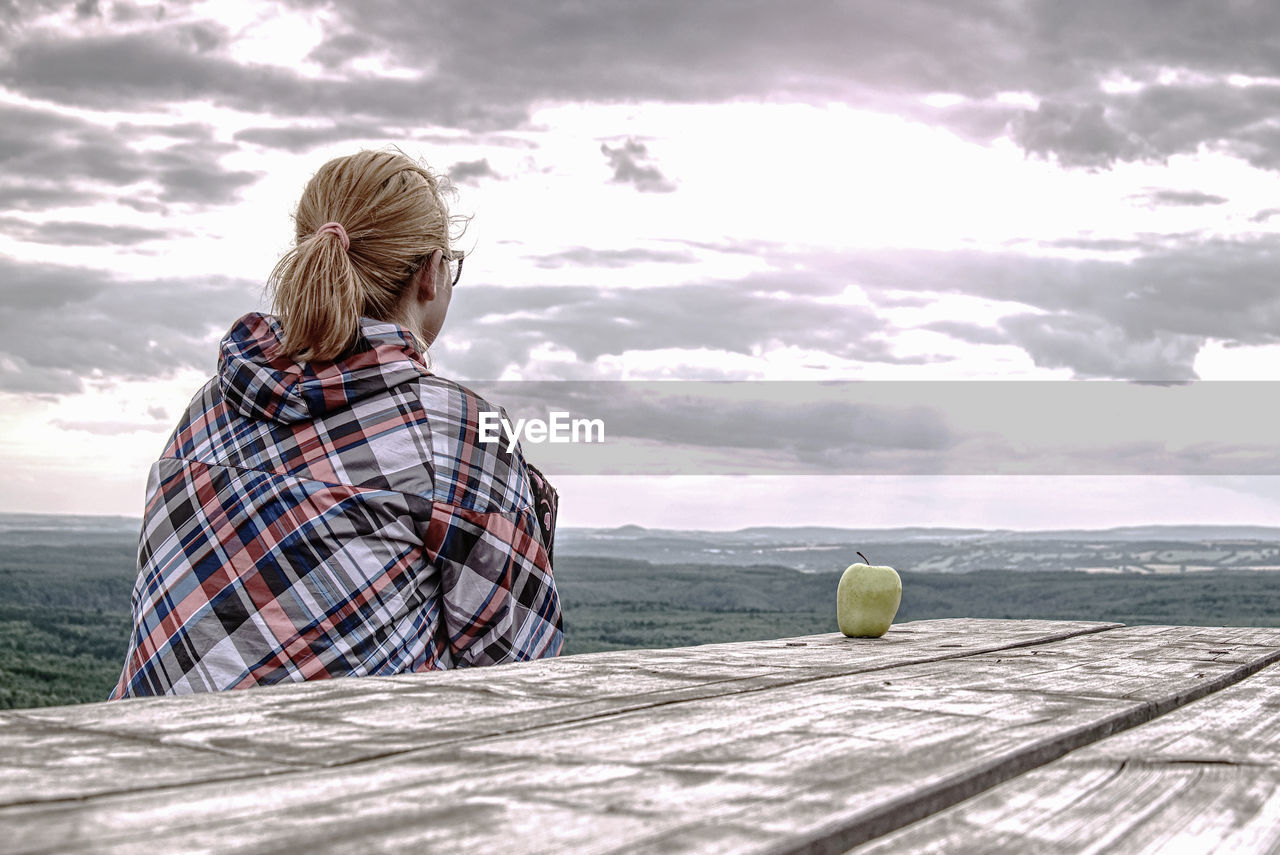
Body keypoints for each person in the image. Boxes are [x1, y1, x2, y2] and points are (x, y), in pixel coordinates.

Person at [111, 150, 564, 698]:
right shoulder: (459, 430)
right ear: (432, 274)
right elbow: (519, 668)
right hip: (335, 772)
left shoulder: (209, 405)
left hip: (149, 761)